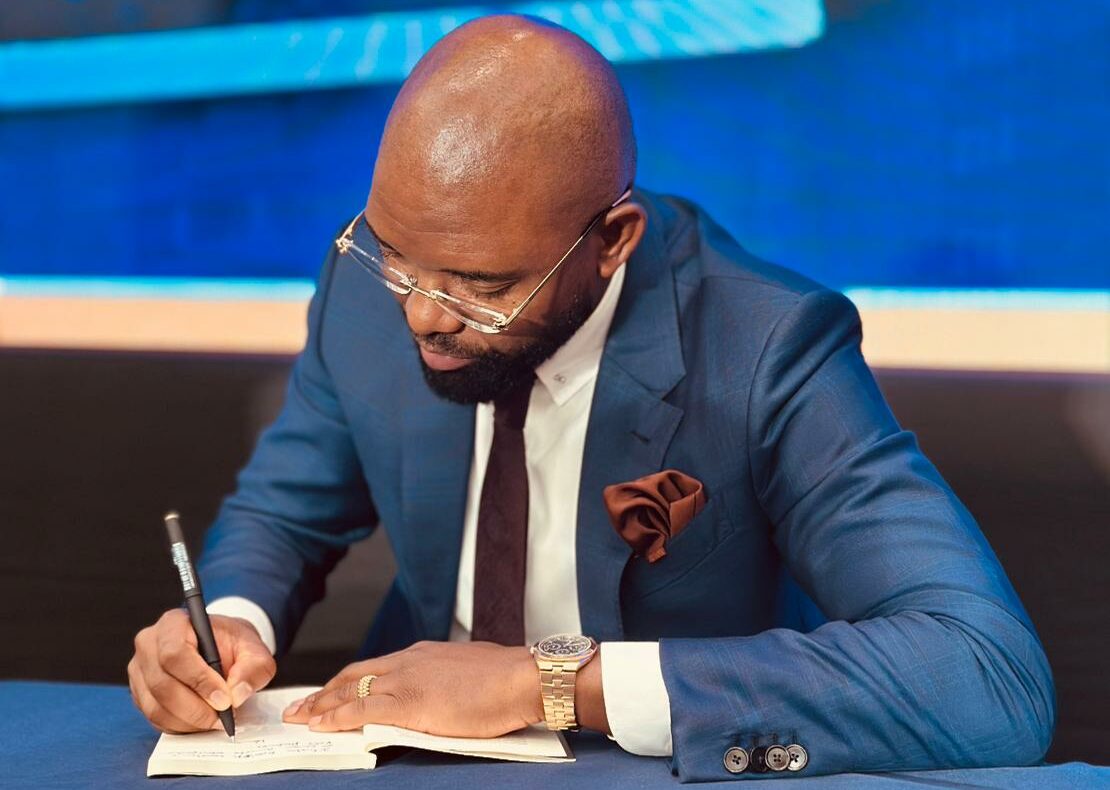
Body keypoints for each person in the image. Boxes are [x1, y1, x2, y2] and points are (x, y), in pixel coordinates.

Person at [127, 14, 1054, 781]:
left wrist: (548, 683)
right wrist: (230, 623)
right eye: (395, 257)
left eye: (481, 287)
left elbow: (986, 674)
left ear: (612, 242)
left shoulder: (769, 345)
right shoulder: (374, 282)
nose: (421, 315)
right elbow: (286, 513)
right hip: (413, 758)